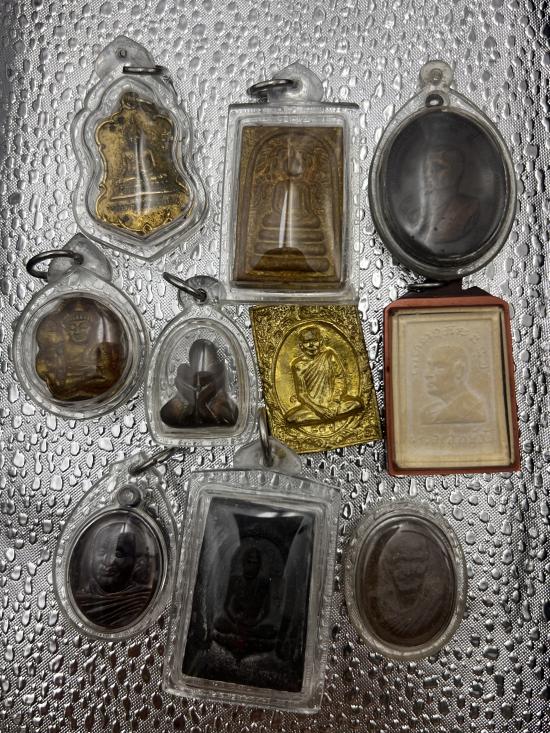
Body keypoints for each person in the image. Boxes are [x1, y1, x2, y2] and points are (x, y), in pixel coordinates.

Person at [367, 527, 451, 645]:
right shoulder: (379, 605)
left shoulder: (434, 605)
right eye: (401, 561)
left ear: (427, 564)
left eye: (416, 560)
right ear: (388, 565)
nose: (409, 571)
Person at [35, 297, 124, 401]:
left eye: (83, 326)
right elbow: (45, 371)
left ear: (92, 328)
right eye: (72, 327)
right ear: (66, 329)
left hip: (102, 398)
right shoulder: (57, 352)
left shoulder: (103, 350)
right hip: (61, 397)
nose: (78, 331)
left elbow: (111, 379)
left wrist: (83, 388)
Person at [72, 519, 155, 629]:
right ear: (91, 556)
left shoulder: (143, 601)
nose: (108, 562)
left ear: (134, 560)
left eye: (118, 554)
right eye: (102, 552)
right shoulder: (79, 601)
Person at [285, 325, 363, 426]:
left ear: (321, 341)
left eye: (314, 341)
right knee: (291, 419)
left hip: (333, 405)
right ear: (301, 345)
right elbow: (302, 394)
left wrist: (334, 403)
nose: (311, 345)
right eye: (306, 342)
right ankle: (328, 417)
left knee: (356, 404)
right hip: (313, 408)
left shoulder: (329, 355)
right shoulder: (298, 365)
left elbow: (340, 379)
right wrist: (320, 411)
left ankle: (327, 416)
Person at [405, 145, 479, 244]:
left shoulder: (469, 207)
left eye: (437, 167)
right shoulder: (411, 207)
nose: (428, 173)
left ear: (457, 171)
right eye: (426, 168)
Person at [160, 339, 239, 428]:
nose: (202, 364)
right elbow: (180, 384)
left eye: (210, 360)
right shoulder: (184, 371)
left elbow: (231, 415)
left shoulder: (220, 371)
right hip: (197, 412)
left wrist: (206, 402)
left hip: (210, 409)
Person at [421, 343, 486, 424]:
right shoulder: (429, 411)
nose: (427, 375)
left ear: (459, 371)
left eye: (439, 367)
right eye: (429, 366)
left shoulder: (474, 409)